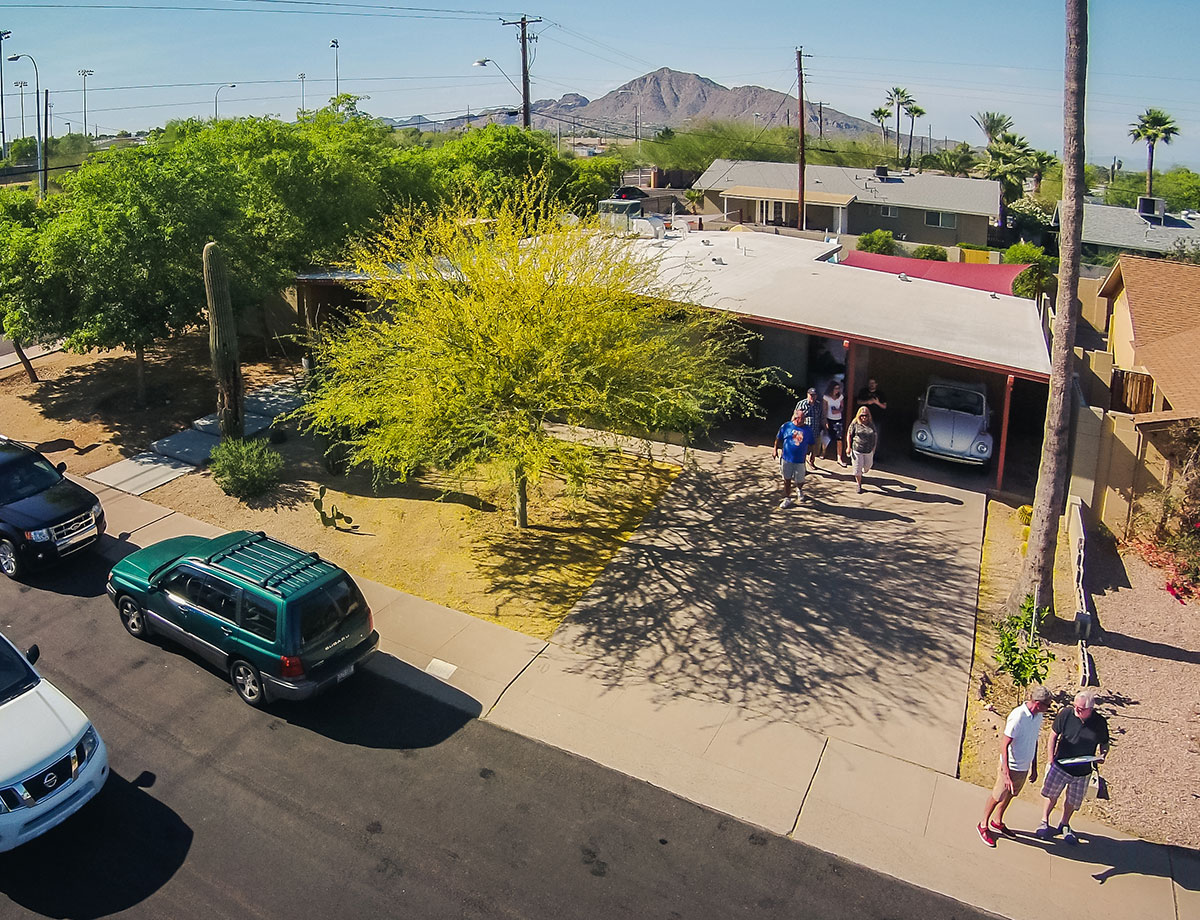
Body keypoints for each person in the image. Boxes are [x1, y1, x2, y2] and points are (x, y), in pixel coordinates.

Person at [977, 685, 1051, 847]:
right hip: (1010, 766)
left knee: (1011, 795)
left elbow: (1033, 740)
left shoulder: (1038, 717)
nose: (1048, 708)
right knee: (998, 796)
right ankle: (983, 824)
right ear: (1038, 704)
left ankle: (998, 821)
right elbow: (1004, 744)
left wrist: (1034, 766)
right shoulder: (1018, 717)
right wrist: (1005, 772)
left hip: (1023, 767)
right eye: (1047, 705)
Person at [1036, 689, 1110, 845]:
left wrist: (1102, 755)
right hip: (1061, 765)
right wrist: (1050, 757)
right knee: (1051, 795)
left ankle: (1064, 823)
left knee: (1073, 801)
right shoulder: (1066, 714)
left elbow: (1105, 743)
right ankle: (1044, 820)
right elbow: (1053, 735)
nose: (1077, 710)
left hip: (1083, 771)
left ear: (1091, 709)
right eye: (1075, 706)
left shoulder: (1099, 723)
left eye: (1081, 709)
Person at [773, 406, 811, 509]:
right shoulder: (786, 426)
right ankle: (787, 498)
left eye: (804, 418)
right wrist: (775, 449)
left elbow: (812, 443)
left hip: (800, 460)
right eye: (801, 418)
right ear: (795, 418)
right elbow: (778, 438)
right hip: (786, 459)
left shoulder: (807, 429)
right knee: (787, 479)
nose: (803, 420)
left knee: (800, 480)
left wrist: (812, 455)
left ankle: (799, 489)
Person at [845, 406, 878, 494]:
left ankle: (862, 472)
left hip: (868, 450)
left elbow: (875, 435)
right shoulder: (855, 423)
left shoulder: (871, 424)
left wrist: (874, 448)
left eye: (866, 415)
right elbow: (849, 434)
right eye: (862, 415)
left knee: (867, 466)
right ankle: (859, 484)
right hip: (857, 449)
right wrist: (848, 447)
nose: (864, 417)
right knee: (857, 470)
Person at [794, 388, 822, 470]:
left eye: (814, 395)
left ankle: (812, 461)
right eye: (811, 395)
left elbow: (821, 417)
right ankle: (802, 467)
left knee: (815, 449)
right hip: (803, 431)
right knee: (802, 449)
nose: (812, 397)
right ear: (807, 395)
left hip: (815, 430)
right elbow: (795, 417)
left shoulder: (818, 405)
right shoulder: (801, 404)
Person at [822, 380, 847, 466]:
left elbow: (842, 408)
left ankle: (839, 457)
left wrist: (838, 410)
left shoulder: (840, 397)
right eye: (836, 388)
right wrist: (825, 420)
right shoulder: (826, 397)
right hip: (829, 419)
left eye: (838, 388)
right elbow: (824, 409)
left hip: (838, 419)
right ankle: (823, 452)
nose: (837, 390)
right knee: (827, 436)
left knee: (839, 438)